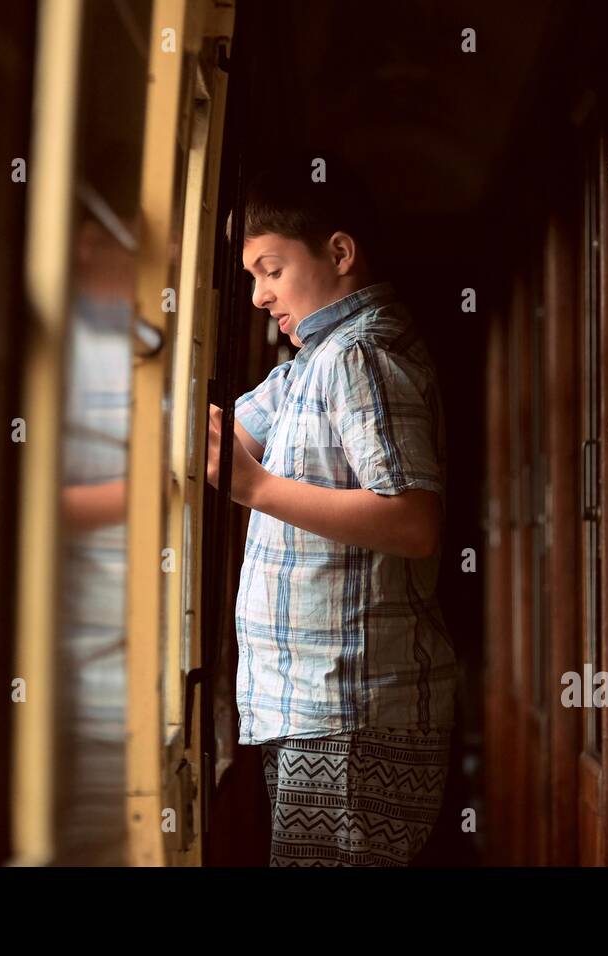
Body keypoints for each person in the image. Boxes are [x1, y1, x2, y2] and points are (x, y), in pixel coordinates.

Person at [205, 158, 457, 866]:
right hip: (321, 705)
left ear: (339, 254)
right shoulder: (309, 363)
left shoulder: (362, 355)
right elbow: (221, 442)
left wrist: (255, 489)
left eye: (271, 270)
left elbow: (413, 520)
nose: (258, 296)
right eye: (253, 276)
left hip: (352, 709)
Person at [55, 202, 134, 866]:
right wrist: (156, 484)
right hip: (86, 663)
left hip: (148, 662)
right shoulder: (65, 353)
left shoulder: (146, 340)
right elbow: (36, 505)